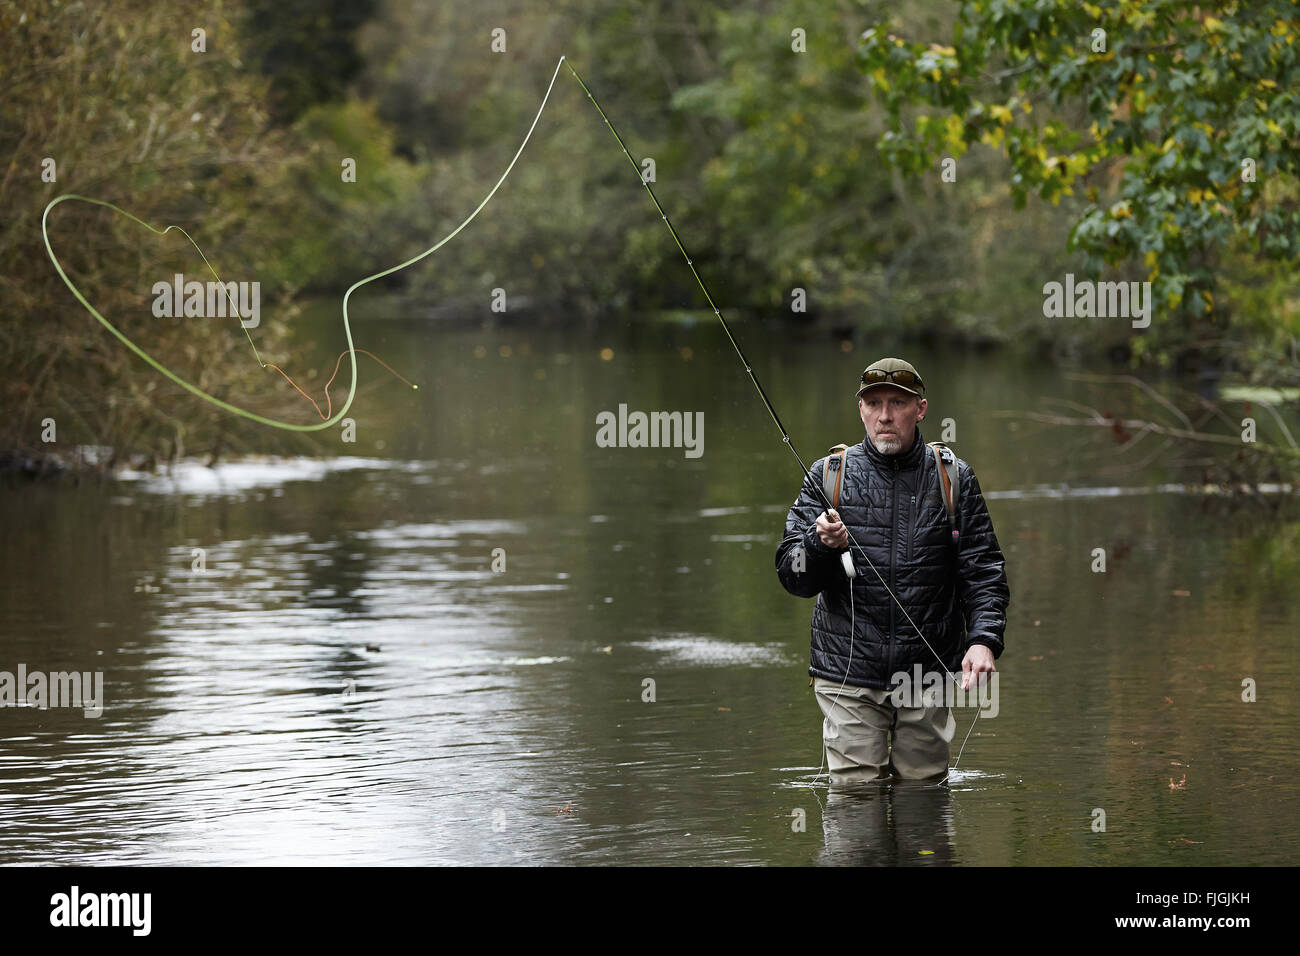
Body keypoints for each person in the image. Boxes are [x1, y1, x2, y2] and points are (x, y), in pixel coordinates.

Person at [774, 357, 1010, 784]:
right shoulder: (828, 477)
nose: (885, 415)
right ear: (860, 409)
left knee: (923, 807)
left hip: (927, 671)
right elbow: (794, 577)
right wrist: (817, 543)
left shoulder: (954, 479)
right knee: (855, 812)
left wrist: (983, 641)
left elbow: (983, 570)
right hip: (847, 674)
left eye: (897, 403)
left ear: (920, 409)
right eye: (874, 403)